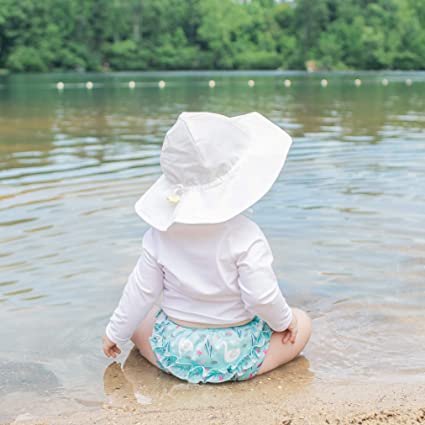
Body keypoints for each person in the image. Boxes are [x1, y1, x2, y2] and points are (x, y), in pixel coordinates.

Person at [103, 111, 312, 383]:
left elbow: (140, 292)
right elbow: (261, 297)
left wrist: (114, 333)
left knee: (138, 323)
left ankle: (180, 368)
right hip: (238, 352)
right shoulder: (246, 235)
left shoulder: (159, 234)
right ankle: (241, 370)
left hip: (178, 351)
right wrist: (286, 322)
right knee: (303, 322)